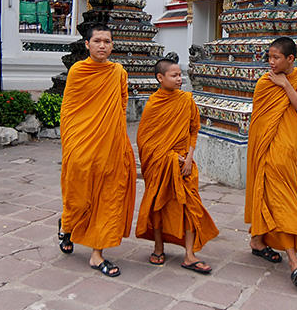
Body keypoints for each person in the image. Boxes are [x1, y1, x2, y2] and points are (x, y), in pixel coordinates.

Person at [57, 23, 136, 277]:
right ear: (87, 44)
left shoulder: (118, 72)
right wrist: (71, 144)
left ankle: (97, 254)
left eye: (107, 41)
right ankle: (68, 225)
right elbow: (69, 110)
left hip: (111, 146)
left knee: (108, 198)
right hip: (81, 144)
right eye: (98, 41)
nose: (103, 45)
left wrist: (118, 139)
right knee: (79, 196)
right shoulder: (78, 71)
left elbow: (121, 106)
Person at [135, 57, 218, 274]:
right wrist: (169, 156)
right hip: (162, 164)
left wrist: (189, 157)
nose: (179, 79)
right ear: (160, 78)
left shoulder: (186, 100)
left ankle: (189, 255)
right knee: (158, 206)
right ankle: (158, 247)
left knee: (191, 207)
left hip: (185, 165)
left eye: (180, 75)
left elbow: (193, 129)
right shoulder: (154, 104)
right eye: (174, 75)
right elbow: (145, 140)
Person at [245, 36, 297, 286]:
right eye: (269, 57)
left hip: (289, 149)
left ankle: (257, 240)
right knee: (281, 198)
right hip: (267, 150)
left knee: (276, 195)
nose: (271, 62)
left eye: (276, 57)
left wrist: (286, 85)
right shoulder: (264, 83)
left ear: (291, 59)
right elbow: (259, 121)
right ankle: (294, 262)